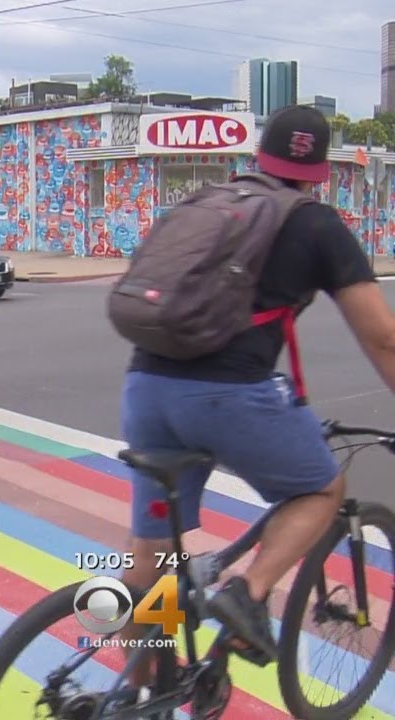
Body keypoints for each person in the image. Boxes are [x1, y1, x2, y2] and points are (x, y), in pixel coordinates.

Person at [111, 106, 395, 700]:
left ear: (259, 154)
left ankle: (131, 693)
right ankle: (250, 591)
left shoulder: (205, 204)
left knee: (156, 556)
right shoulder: (317, 225)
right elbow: (383, 338)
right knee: (320, 489)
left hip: (147, 388)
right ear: (320, 169)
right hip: (228, 396)